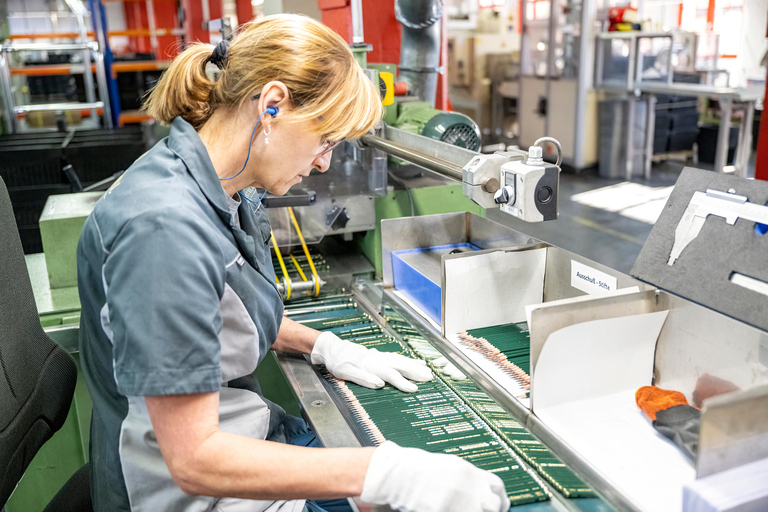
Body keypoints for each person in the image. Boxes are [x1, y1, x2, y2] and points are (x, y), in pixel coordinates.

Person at [77, 14, 510, 512]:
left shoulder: (222, 186)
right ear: (273, 105)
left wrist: (324, 344)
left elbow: (215, 310)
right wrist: (380, 473)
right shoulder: (163, 227)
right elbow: (194, 459)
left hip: (252, 437)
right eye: (325, 138)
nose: (325, 162)